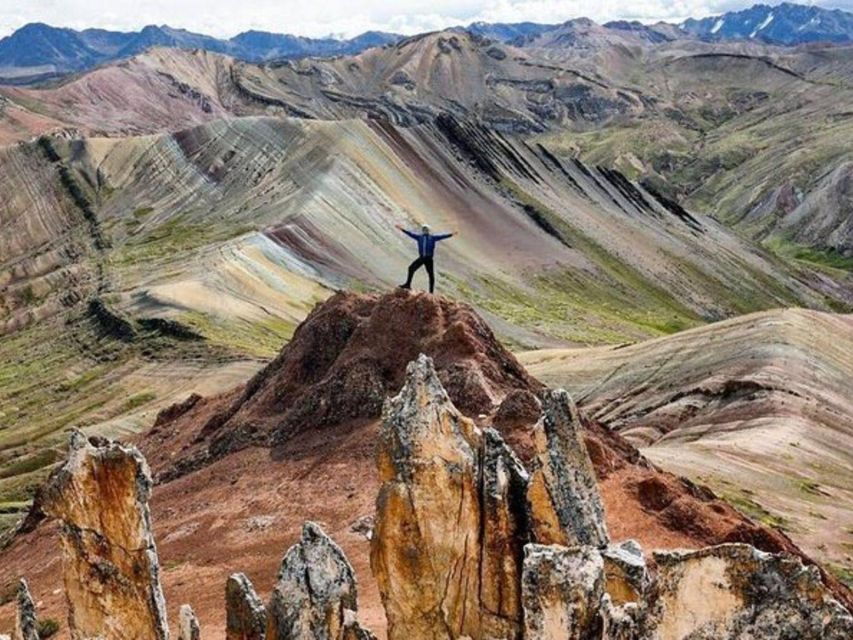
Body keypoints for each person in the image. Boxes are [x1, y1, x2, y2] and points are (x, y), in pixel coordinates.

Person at [395, 222, 456, 293]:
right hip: (422, 258)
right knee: (411, 268)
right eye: (424, 229)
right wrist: (401, 229)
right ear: (422, 230)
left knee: (431, 275)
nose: (425, 230)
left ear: (428, 230)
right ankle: (408, 284)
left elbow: (443, 236)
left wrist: (452, 234)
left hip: (429, 259)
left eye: (426, 229)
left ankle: (431, 292)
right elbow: (410, 234)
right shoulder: (419, 237)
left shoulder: (433, 238)